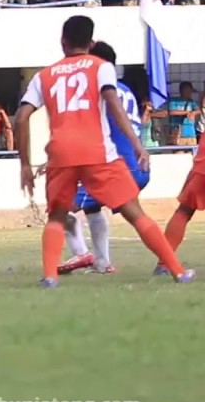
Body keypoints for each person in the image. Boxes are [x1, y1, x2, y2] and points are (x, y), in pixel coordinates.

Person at [14, 15, 192, 288]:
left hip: (61, 153)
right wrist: (137, 143)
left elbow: (21, 117)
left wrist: (25, 164)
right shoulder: (101, 67)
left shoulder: (44, 75)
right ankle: (177, 271)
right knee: (135, 213)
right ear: (91, 42)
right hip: (97, 150)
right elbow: (112, 101)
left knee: (57, 216)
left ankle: (50, 276)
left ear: (63, 42)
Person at [55, 42, 144, 275]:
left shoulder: (100, 92)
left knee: (61, 207)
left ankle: (83, 254)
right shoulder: (125, 89)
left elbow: (87, 127)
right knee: (93, 208)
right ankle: (102, 263)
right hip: (139, 165)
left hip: (117, 166)